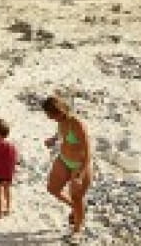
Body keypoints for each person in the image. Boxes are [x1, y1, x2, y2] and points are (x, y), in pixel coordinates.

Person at [42, 95, 91, 238]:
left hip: (79, 164)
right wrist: (53, 139)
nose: (52, 118)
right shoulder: (60, 120)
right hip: (63, 160)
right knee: (52, 189)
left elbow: (88, 151)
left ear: (61, 110)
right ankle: (77, 209)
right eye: (49, 116)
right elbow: (60, 132)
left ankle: (77, 230)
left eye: (53, 115)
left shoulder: (76, 123)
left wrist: (80, 175)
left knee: (76, 197)